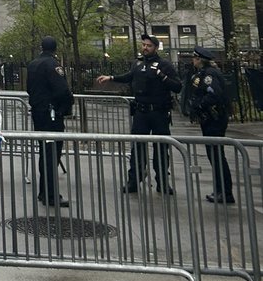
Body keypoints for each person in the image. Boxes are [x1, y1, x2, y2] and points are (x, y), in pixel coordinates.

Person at [98, 34, 181, 194]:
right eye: (143, 45)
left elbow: (178, 86)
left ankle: (163, 182)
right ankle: (134, 181)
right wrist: (111, 77)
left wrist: (162, 76)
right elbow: (129, 77)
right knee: (137, 148)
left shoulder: (165, 65)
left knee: (161, 149)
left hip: (159, 112)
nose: (145, 48)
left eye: (148, 46)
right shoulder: (138, 63)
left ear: (155, 48)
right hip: (141, 113)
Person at [26, 36, 73, 207]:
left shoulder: (33, 64)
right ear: (55, 48)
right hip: (51, 114)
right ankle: (51, 195)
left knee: (44, 153)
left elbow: (29, 88)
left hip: (39, 112)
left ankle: (44, 191)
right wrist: (66, 106)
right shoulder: (53, 65)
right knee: (52, 154)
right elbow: (62, 90)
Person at [186, 47, 234, 204]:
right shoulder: (205, 73)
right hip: (210, 120)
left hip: (214, 119)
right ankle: (220, 190)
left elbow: (214, 94)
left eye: (194, 58)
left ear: (199, 59)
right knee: (214, 155)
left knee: (216, 155)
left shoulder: (209, 74)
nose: (193, 60)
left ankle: (225, 192)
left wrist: (199, 105)